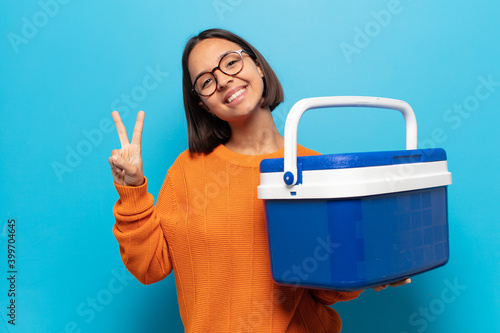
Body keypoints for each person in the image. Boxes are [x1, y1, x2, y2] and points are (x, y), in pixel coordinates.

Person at [109, 28, 410, 333]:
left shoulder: (317, 168)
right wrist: (132, 191)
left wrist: (369, 267)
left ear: (258, 67)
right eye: (206, 82)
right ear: (203, 105)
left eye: (230, 62)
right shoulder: (185, 172)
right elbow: (150, 266)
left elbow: (329, 291)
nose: (224, 80)